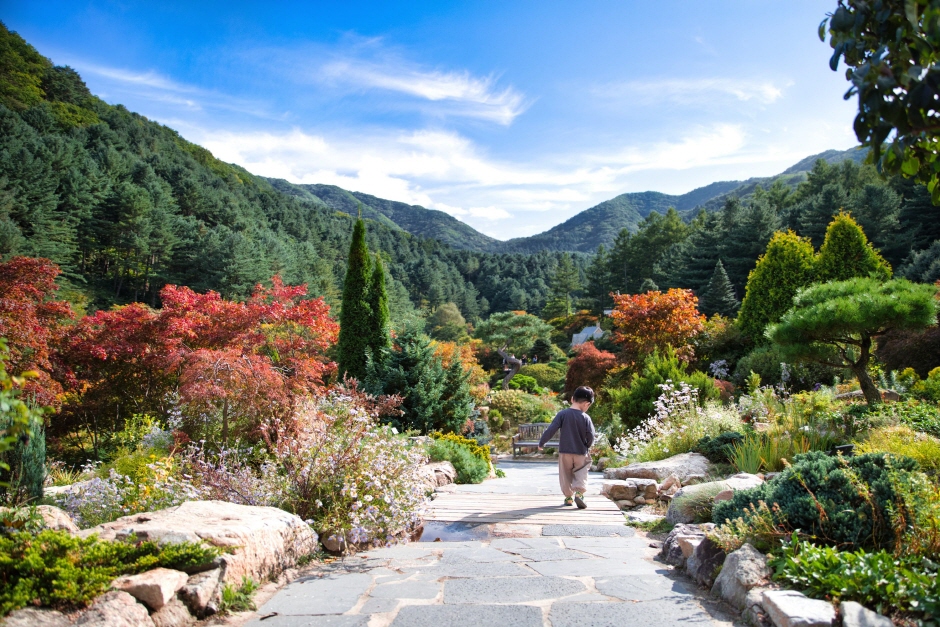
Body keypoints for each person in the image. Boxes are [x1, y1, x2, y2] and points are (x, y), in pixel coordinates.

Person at [538, 386, 596, 509]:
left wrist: (542, 442)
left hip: (565, 451)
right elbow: (591, 435)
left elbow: (551, 429)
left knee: (565, 474)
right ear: (587, 404)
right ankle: (579, 493)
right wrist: (587, 446)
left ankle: (568, 497)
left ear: (572, 399)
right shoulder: (586, 418)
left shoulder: (562, 414)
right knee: (582, 471)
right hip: (580, 451)